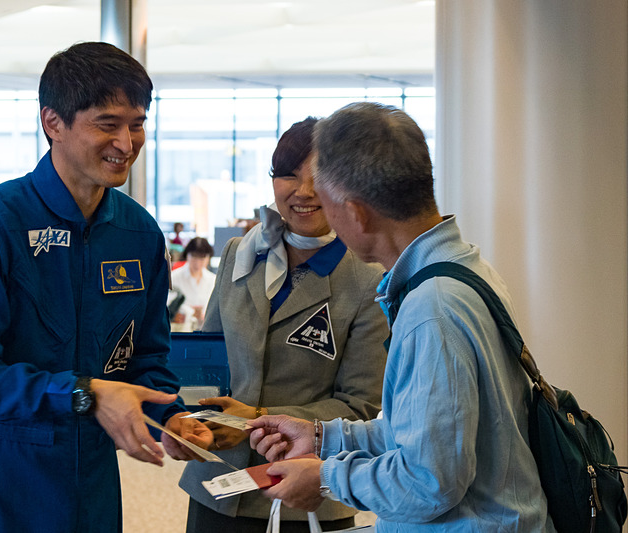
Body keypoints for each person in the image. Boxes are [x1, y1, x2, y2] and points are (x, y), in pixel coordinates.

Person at [0, 42, 211, 533]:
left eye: (138, 123)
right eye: (107, 124)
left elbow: (146, 358)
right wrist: (83, 394)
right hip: (3, 470)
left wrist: (170, 418)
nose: (127, 143)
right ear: (53, 123)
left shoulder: (139, 233)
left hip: (93, 476)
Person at [248, 102, 554, 532]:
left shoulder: (434, 310)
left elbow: (429, 481)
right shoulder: (464, 270)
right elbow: (423, 433)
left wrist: (325, 478)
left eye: (326, 199)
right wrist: (322, 438)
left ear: (355, 212)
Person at [179, 117, 389, 532]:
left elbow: (360, 406)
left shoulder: (367, 277)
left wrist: (254, 419)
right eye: (288, 175)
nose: (303, 191)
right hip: (217, 486)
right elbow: (209, 362)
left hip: (305, 494)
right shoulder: (242, 253)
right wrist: (193, 419)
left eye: (319, 177)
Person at [170, 237, 216, 331]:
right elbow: (167, 305)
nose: (197, 262)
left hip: (204, 332)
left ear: (208, 258)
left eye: (202, 258)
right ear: (187, 255)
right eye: (194, 256)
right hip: (180, 331)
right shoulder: (174, 277)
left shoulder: (213, 279)